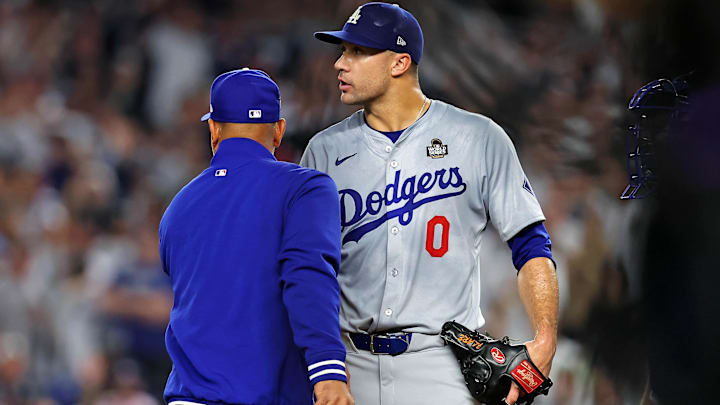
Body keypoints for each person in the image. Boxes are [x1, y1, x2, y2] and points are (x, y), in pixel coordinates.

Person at [300, 3, 559, 404]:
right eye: (342, 51)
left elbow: (531, 244)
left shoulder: (477, 137)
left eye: (357, 52)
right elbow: (308, 269)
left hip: (442, 365)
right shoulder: (324, 151)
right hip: (349, 365)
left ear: (399, 62)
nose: (339, 63)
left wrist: (546, 337)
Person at [159, 68, 354, 405]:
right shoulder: (304, 188)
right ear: (279, 130)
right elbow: (308, 277)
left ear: (214, 129)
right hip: (260, 396)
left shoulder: (178, 206)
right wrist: (328, 370)